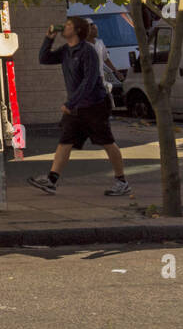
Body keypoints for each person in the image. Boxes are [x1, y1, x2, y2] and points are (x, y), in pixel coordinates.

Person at [27, 16, 130, 197]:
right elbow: (44, 58)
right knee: (65, 141)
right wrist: (49, 38)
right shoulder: (67, 50)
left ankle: (122, 181)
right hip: (76, 107)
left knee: (107, 141)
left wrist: (71, 102)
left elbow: (89, 81)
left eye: (68, 25)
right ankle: (51, 180)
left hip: (95, 105)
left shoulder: (87, 51)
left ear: (76, 31)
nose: (64, 28)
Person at [87, 22, 123, 96]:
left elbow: (106, 59)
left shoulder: (100, 43)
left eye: (96, 29)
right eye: (93, 29)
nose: (96, 31)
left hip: (100, 76)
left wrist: (116, 71)